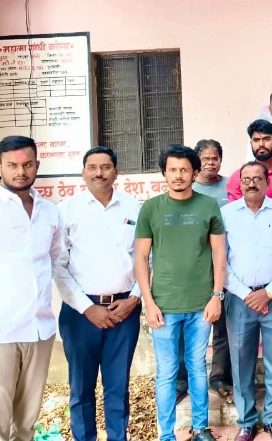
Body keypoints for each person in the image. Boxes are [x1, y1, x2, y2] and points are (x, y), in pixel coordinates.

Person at [134, 144, 226, 441]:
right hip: (163, 305)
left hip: (201, 304)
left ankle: (200, 428)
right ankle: (166, 435)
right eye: (172, 169)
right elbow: (141, 258)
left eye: (184, 169)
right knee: (167, 372)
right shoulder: (151, 208)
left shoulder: (208, 206)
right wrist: (148, 302)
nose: (178, 175)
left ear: (195, 173)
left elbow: (219, 254)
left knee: (197, 367)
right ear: (164, 173)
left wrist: (216, 296)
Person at [54, 147, 142, 441]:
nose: (99, 173)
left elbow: (148, 259)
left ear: (116, 172)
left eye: (105, 167)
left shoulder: (133, 208)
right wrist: (87, 308)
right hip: (80, 313)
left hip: (124, 310)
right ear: (83, 172)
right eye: (92, 167)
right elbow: (58, 265)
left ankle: (118, 437)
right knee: (81, 387)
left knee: (118, 386)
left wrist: (134, 298)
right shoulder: (66, 210)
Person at [222, 161, 272, 441]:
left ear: (268, 182)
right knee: (241, 359)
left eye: (257, 178)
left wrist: (267, 293)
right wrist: (247, 294)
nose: (251, 183)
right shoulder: (226, 214)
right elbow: (220, 262)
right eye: (246, 179)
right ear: (239, 183)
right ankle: (246, 421)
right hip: (239, 298)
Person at [0, 135, 61, 441]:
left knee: (25, 423)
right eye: (12, 165)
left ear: (37, 164)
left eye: (26, 165)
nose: (20, 172)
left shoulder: (49, 211)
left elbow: (57, 261)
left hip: (40, 328)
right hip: (3, 329)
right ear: (0, 167)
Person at [191, 139, 232, 403]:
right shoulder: (189, 188)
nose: (210, 163)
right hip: (197, 266)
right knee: (193, 326)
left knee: (223, 327)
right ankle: (187, 379)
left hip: (226, 264)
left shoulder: (231, 186)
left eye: (214, 158)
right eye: (205, 159)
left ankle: (219, 377)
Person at [227, 119, 272, 208]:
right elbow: (236, 210)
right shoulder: (237, 177)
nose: (261, 144)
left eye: (266, 139)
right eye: (256, 140)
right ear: (251, 143)